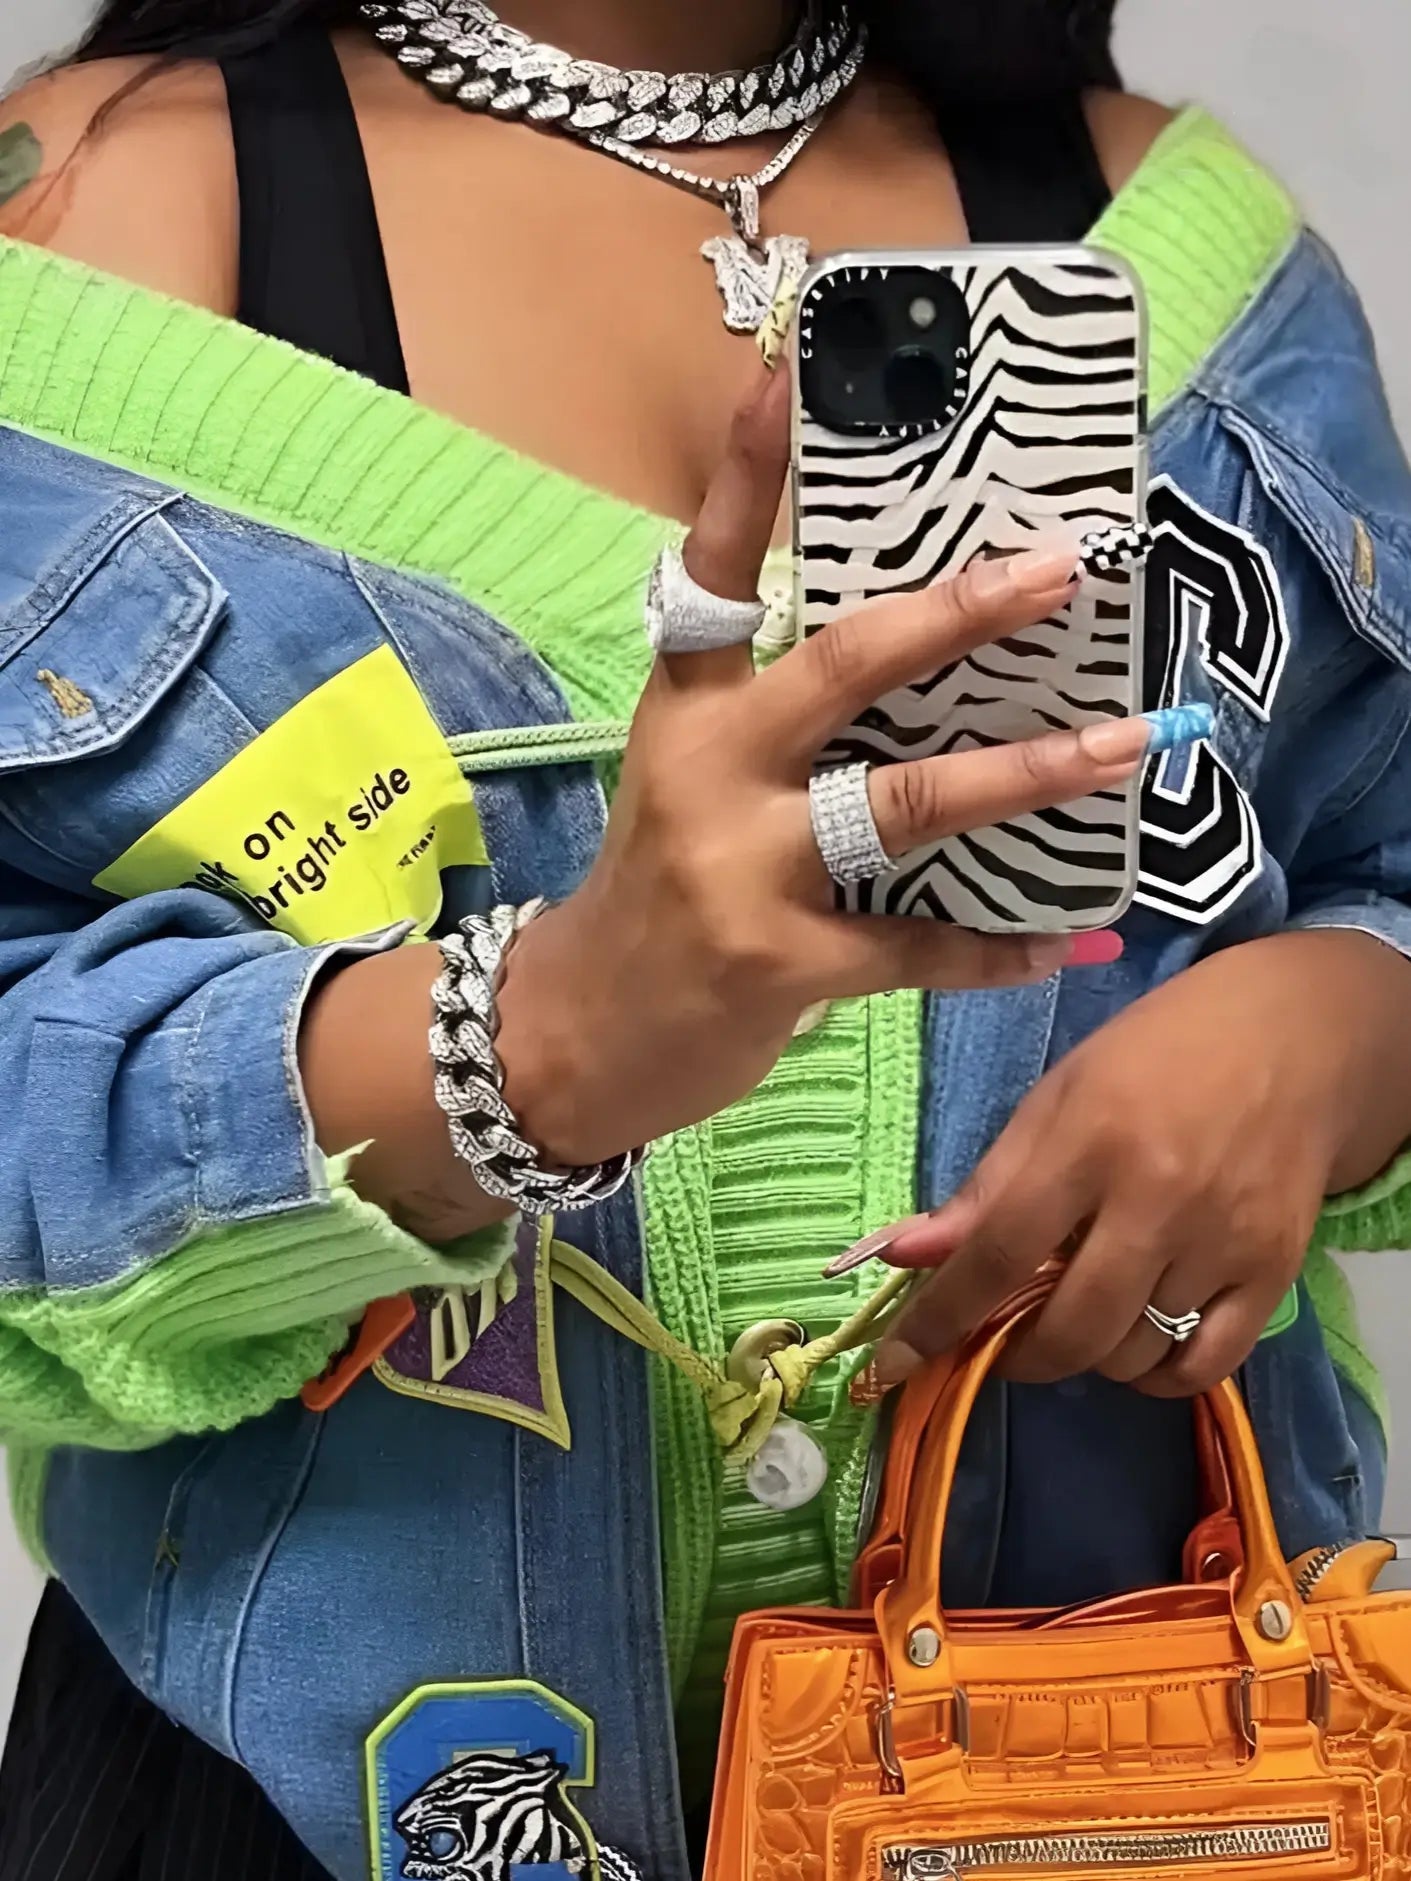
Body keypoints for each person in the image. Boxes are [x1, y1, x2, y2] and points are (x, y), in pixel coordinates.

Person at [0, 2, 1409, 1878]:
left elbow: (1383, 857)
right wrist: (528, 1044)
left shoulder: (1185, 252)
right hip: (299, 1822)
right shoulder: (89, 234)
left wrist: (1334, 1033)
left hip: (1153, 1790)